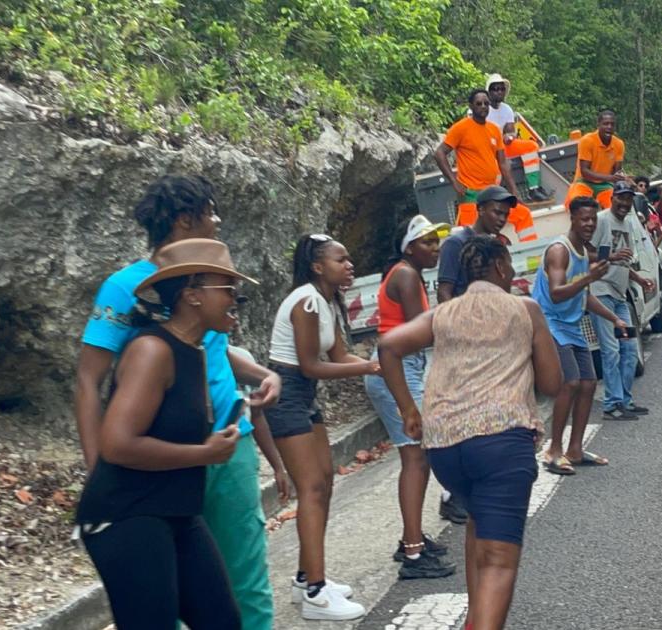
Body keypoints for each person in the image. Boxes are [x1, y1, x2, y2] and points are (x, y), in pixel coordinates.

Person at [75, 175, 282, 630]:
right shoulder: (131, 295)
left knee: (241, 582)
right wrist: (103, 479)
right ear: (186, 219)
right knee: (159, 600)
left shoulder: (200, 310)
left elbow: (208, 351)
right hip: (154, 465)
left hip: (224, 447)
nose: (218, 220)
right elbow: (90, 382)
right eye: (211, 211)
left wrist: (264, 374)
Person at [378, 235, 563, 630]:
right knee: (499, 558)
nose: (512, 272)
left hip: (445, 447)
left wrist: (408, 408)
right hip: (501, 442)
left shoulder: (443, 314)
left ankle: (474, 619)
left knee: (479, 523)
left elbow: (389, 346)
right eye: (509, 264)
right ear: (498, 268)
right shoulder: (524, 308)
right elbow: (551, 383)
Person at [268, 234, 377, 621]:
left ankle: (306, 578)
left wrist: (370, 358)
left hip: (303, 395)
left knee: (325, 480)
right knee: (312, 488)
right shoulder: (307, 300)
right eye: (340, 260)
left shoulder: (328, 301)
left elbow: (339, 355)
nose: (349, 266)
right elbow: (310, 365)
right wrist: (365, 367)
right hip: (286, 393)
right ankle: (315, 593)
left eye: (349, 260)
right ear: (317, 266)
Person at [363, 216, 457, 580]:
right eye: (428, 242)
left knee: (420, 458)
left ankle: (411, 539)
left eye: (437, 241)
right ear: (408, 247)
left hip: (403, 366)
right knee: (416, 459)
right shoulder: (404, 275)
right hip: (396, 369)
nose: (435, 248)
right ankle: (414, 555)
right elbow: (423, 331)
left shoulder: (408, 273)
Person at [535, 195, 631, 476]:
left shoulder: (583, 252)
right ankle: (553, 449)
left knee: (589, 383)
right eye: (584, 219)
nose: (589, 224)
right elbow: (556, 291)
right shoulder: (559, 250)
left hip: (572, 325)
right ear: (572, 219)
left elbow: (583, 295)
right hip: (550, 322)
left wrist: (613, 317)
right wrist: (589, 278)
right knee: (571, 382)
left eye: (592, 219)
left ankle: (575, 450)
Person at [434, 89, 537, 243]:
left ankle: (530, 254)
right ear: (471, 106)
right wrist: (454, 181)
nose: (483, 106)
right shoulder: (460, 128)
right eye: (479, 103)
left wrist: (514, 191)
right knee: (469, 238)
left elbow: (503, 162)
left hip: (493, 194)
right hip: (470, 195)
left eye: (486, 104)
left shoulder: (494, 129)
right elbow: (439, 153)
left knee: (523, 214)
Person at [591, 182, 655, 420]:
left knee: (629, 350)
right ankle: (611, 405)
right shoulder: (601, 220)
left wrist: (640, 278)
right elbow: (585, 252)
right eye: (621, 199)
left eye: (628, 200)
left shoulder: (627, 223)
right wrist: (612, 256)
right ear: (612, 198)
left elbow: (624, 262)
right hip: (601, 292)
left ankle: (625, 400)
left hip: (619, 294)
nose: (624, 204)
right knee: (611, 350)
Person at [436, 185, 513, 303]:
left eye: (506, 215)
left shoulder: (497, 245)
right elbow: (443, 292)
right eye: (497, 213)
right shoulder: (455, 243)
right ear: (481, 209)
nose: (502, 219)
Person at [484, 73, 551, 202]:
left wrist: (509, 137)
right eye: (495, 89)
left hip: (503, 146)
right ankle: (492, 199)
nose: (499, 92)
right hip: (488, 150)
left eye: (501, 89)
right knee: (494, 168)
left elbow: (511, 132)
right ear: (489, 92)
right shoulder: (483, 109)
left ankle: (534, 189)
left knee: (531, 147)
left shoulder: (507, 109)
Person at [565, 110, 629, 210]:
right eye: (606, 124)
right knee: (577, 205)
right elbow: (585, 172)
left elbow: (617, 172)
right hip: (584, 182)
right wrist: (611, 178)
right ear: (598, 125)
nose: (609, 127)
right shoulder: (587, 141)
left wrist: (623, 178)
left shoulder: (619, 144)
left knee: (618, 206)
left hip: (605, 185)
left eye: (612, 124)